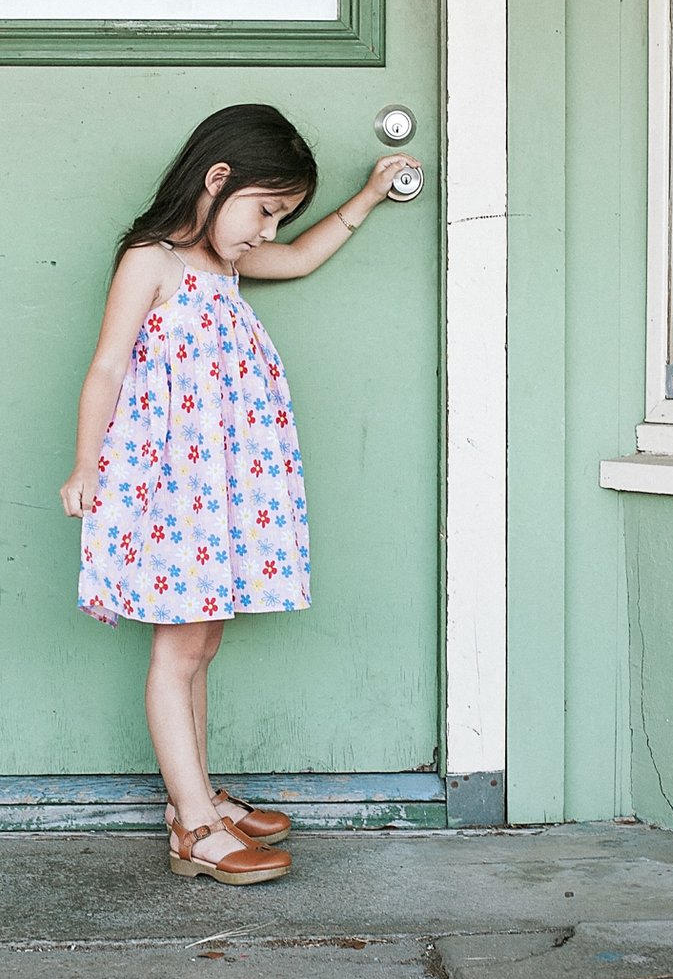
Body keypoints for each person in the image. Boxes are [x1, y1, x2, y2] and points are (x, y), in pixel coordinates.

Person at [60, 104, 419, 885]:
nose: (267, 231)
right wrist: (86, 462)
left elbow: (296, 260)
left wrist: (363, 198)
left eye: (278, 216)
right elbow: (108, 368)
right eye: (264, 210)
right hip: (170, 487)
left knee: (203, 640)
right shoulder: (151, 261)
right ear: (216, 179)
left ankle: (197, 798)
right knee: (178, 646)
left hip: (220, 489)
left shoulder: (227, 265)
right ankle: (194, 825)